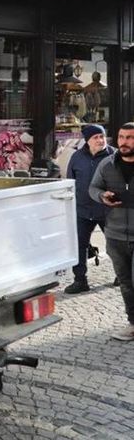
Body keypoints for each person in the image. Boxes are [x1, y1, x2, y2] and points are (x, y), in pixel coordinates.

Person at [90, 122, 134, 341]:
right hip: (115, 235)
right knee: (126, 283)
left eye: (129, 138)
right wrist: (101, 196)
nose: (124, 142)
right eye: (121, 137)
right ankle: (133, 324)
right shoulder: (107, 164)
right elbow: (93, 187)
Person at [65, 124, 115, 294]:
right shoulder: (76, 157)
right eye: (96, 137)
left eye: (102, 136)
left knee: (117, 245)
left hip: (109, 210)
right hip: (83, 211)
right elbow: (70, 182)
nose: (101, 140)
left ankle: (122, 276)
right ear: (87, 140)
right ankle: (80, 280)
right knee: (79, 245)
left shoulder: (115, 155)